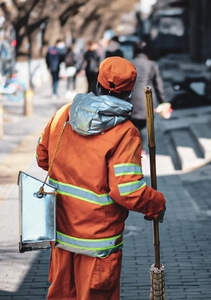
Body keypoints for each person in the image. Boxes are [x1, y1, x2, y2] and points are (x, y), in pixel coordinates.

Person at [36, 56, 166, 300]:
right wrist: (156, 203)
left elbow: (42, 158)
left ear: (97, 81)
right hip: (98, 241)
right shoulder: (125, 132)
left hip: (61, 231)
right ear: (130, 91)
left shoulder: (63, 114)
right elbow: (127, 191)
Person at [130, 41, 168, 153]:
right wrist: (163, 101)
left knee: (133, 125)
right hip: (147, 99)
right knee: (144, 126)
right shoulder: (151, 64)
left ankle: (135, 149)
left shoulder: (130, 64)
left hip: (132, 99)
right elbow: (158, 85)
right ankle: (142, 151)